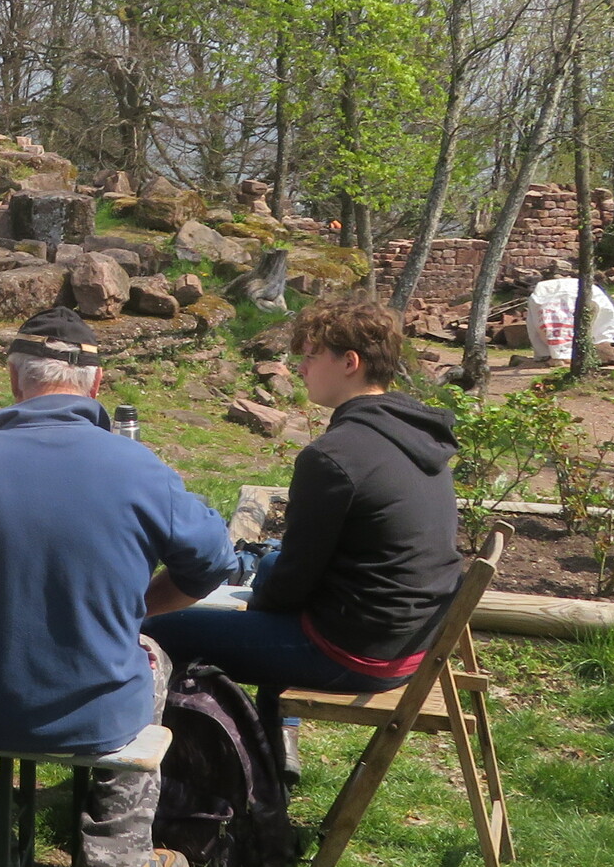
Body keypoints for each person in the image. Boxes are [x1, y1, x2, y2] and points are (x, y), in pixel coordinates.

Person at [0, 308, 235, 867]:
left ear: (13, 378)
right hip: (99, 704)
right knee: (151, 658)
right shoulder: (141, 467)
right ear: (97, 382)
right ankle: (116, 855)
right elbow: (214, 562)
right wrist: (141, 609)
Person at [146, 296, 462, 694]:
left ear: (350, 363)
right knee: (270, 566)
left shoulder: (335, 456)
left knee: (158, 628)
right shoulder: (415, 433)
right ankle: (275, 726)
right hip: (411, 641)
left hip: (356, 654)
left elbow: (293, 584)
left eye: (312, 356)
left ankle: (204, 734)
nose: (301, 368)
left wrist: (256, 602)